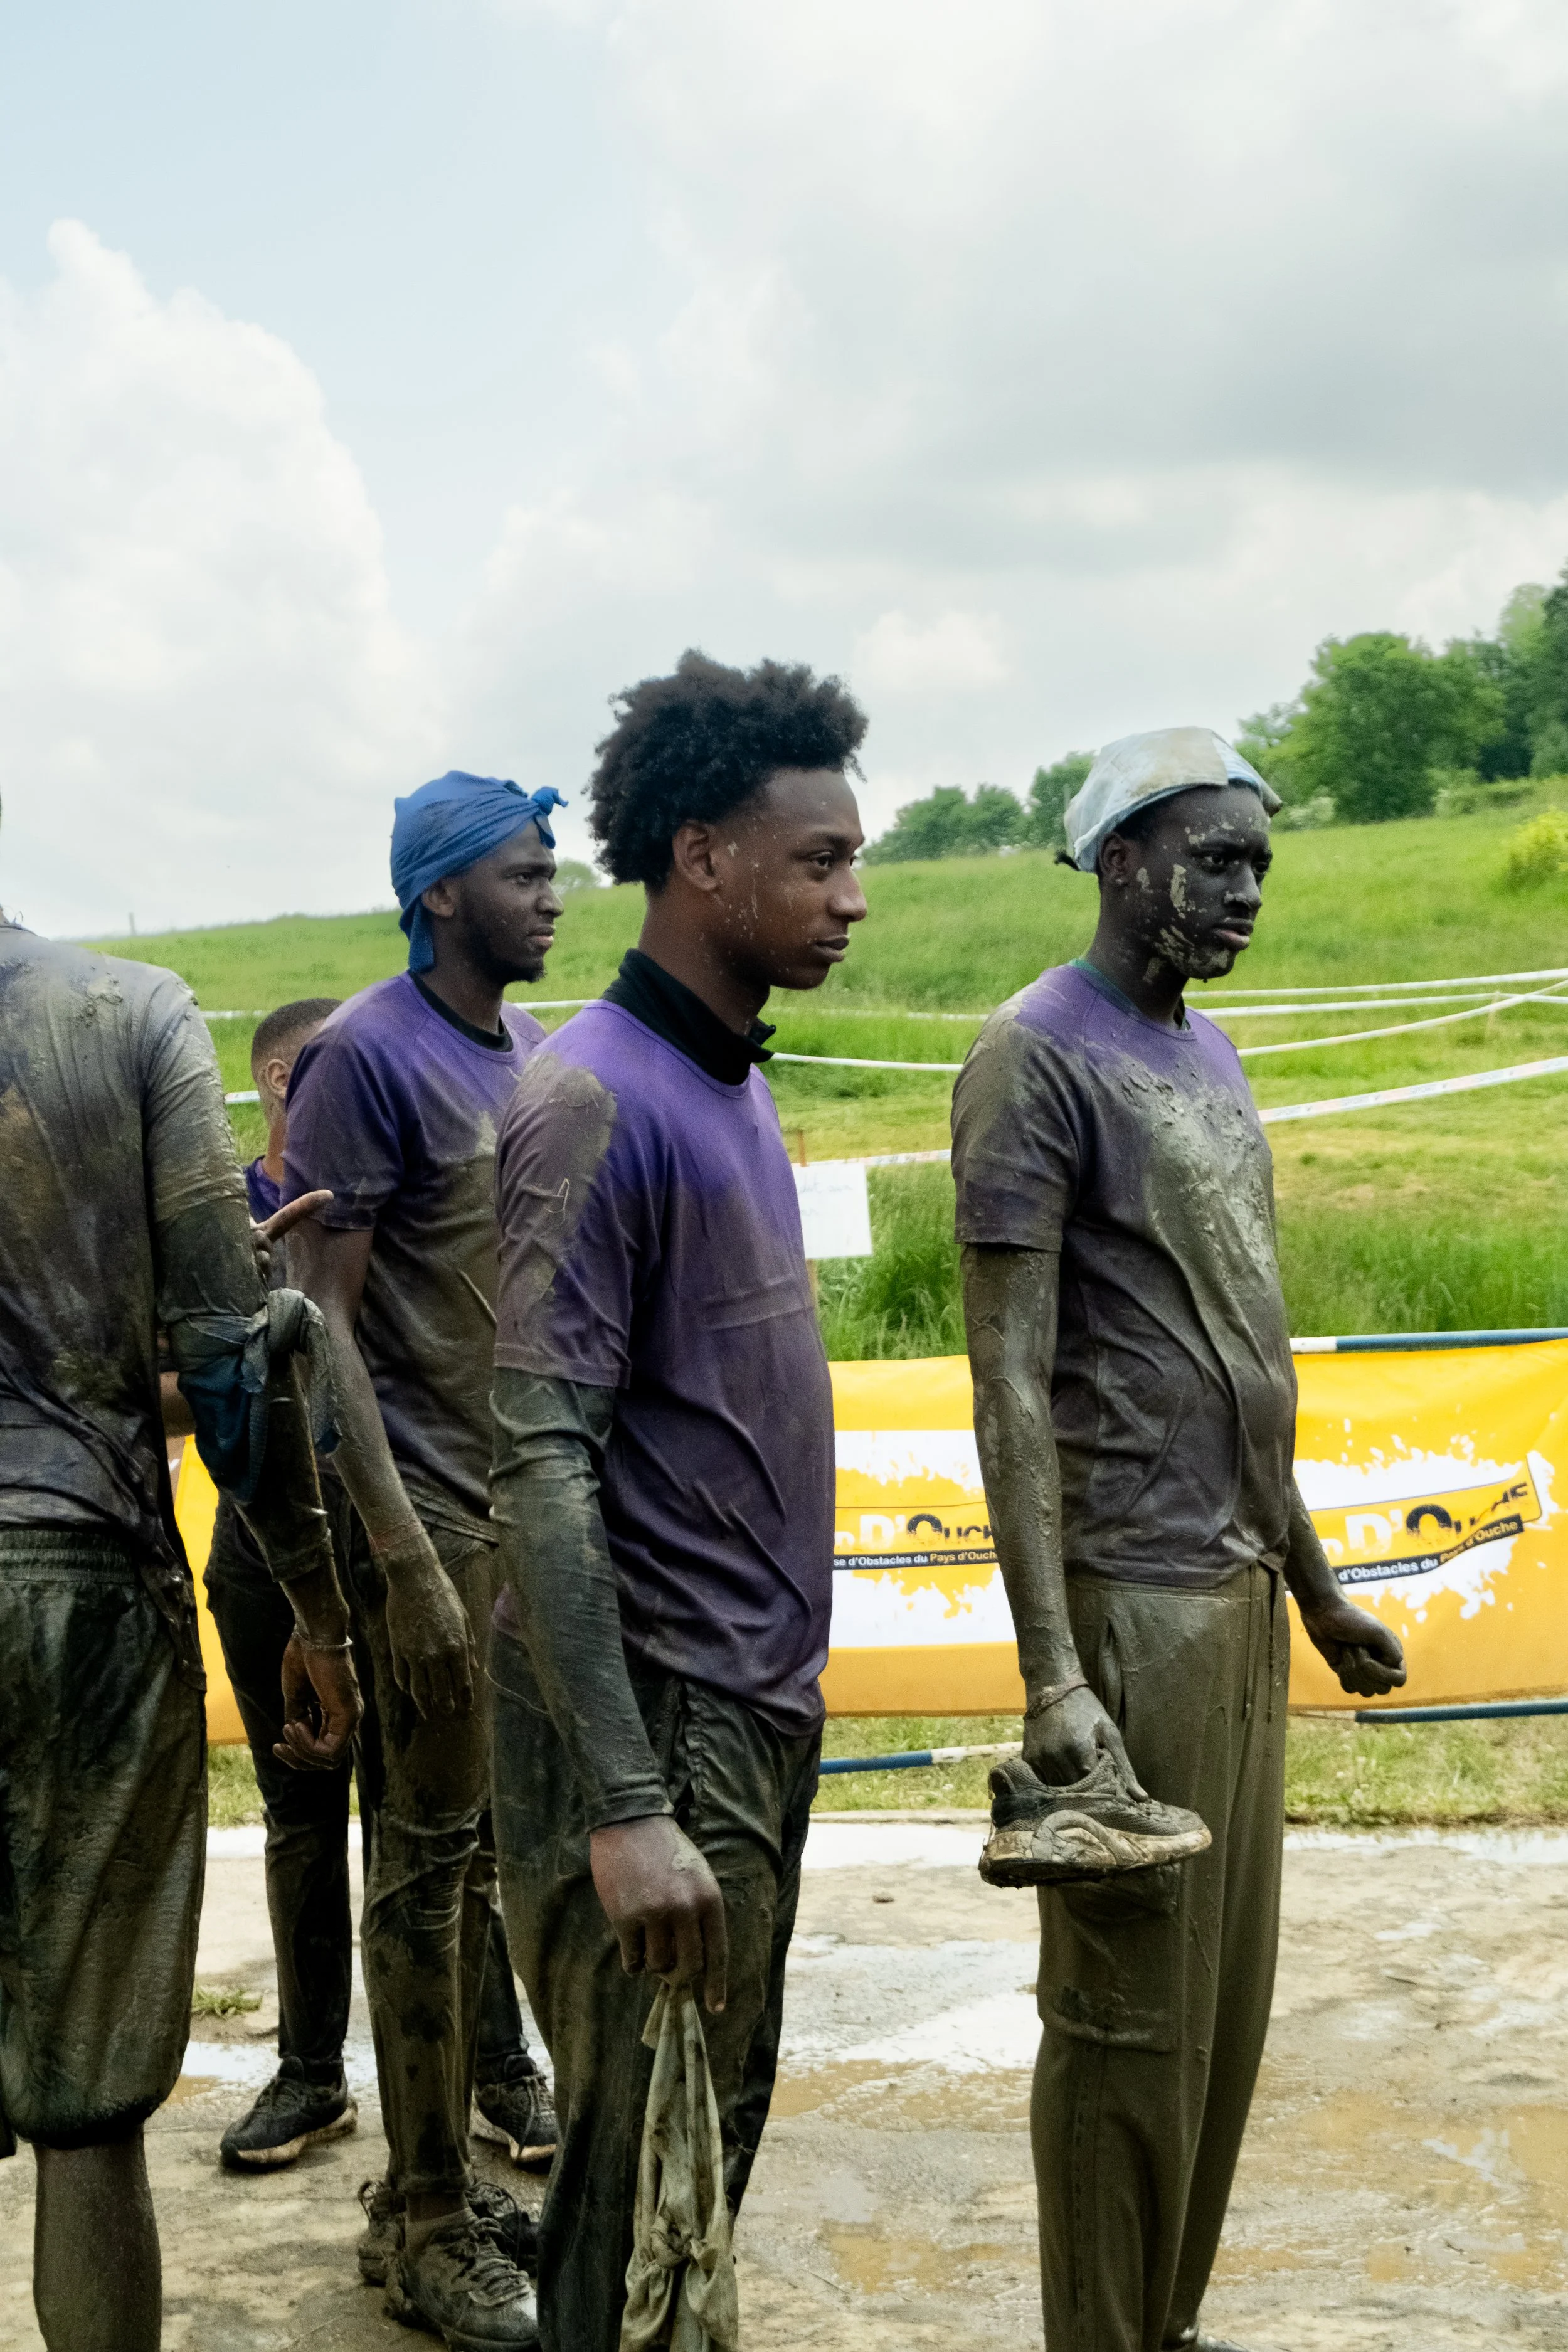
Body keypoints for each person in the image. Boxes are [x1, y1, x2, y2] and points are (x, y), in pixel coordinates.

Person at [951, 726, 1408, 2352]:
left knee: (1221, 2012)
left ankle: (1164, 2319)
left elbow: (1236, 1357)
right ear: (1122, 861)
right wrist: (1050, 1673)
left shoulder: (1208, 1059)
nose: (1246, 891)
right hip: (1126, 1612)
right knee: (1124, 2025)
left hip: (1236, 1596)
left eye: (1260, 864)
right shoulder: (1031, 1056)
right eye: (1217, 860)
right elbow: (1006, 1380)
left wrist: (1318, 1584)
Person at [487, 649, 868, 2351]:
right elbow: (539, 1462)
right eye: (818, 859)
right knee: (639, 2187)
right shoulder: (590, 1102)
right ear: (702, 856)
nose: (850, 895)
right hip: (653, 1719)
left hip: (752, 1702)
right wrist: (626, 1801)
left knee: (698, 2165)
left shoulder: (730, 1071)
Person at [0, 909, 360, 2352]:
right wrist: (319, 1611)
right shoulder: (124, 1014)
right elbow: (228, 1356)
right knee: (85, 2111)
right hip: (82, 1586)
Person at [285, 772, 565, 2348]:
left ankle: (438, 2176)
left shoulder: (530, 1051)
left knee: (483, 1873)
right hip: (434, 1524)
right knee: (420, 1863)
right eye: (521, 874)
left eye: (552, 870)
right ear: (441, 893)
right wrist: (398, 1563)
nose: (550, 893)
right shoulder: (360, 1058)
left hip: (526, 1514)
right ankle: (421, 2218)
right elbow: (319, 1325)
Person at [202, 1000, 556, 2176]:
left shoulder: (388, 1194)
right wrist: (255, 1326)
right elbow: (173, 1377)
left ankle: (499, 2067)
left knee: (455, 1829)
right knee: (304, 1811)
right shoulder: (223, 1214)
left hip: (411, 1531)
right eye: (319, 1078)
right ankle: (311, 2071)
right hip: (271, 1544)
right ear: (275, 1076)